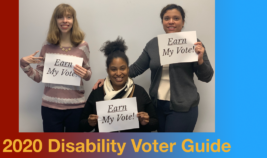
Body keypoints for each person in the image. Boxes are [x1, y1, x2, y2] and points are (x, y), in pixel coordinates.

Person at [93, 4, 214, 132]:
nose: (171, 21)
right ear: (162, 21)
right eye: (167, 18)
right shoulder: (153, 45)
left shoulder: (194, 43)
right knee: (161, 147)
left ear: (183, 22)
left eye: (176, 18)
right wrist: (108, 79)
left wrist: (200, 59)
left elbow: (207, 76)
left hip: (183, 107)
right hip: (158, 106)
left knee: (173, 149)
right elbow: (135, 69)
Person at [20, 4, 92, 132]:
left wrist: (86, 74)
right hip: (50, 108)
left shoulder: (83, 46)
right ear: (55, 21)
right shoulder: (47, 45)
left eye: (69, 17)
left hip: (76, 108)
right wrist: (25, 65)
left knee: (74, 149)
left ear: (73, 20)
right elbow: (39, 77)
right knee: (53, 149)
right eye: (60, 17)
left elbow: (88, 73)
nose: (65, 20)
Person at [80, 37, 158, 132]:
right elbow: (81, 124)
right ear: (108, 70)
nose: (118, 73)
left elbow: (155, 123)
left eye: (122, 68)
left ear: (128, 69)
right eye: (113, 69)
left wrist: (146, 121)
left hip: (133, 144)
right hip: (106, 145)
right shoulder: (98, 91)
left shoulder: (139, 92)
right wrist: (89, 123)